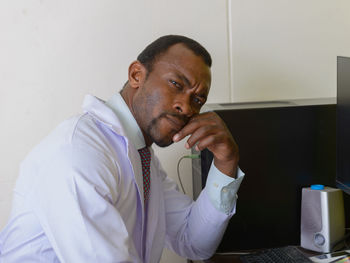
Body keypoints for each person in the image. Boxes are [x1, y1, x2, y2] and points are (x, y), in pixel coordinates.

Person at [0, 35, 244, 263]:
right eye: (176, 84)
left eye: (198, 100)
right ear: (137, 74)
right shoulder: (80, 153)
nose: (187, 107)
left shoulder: (140, 156)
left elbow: (192, 241)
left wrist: (225, 162)